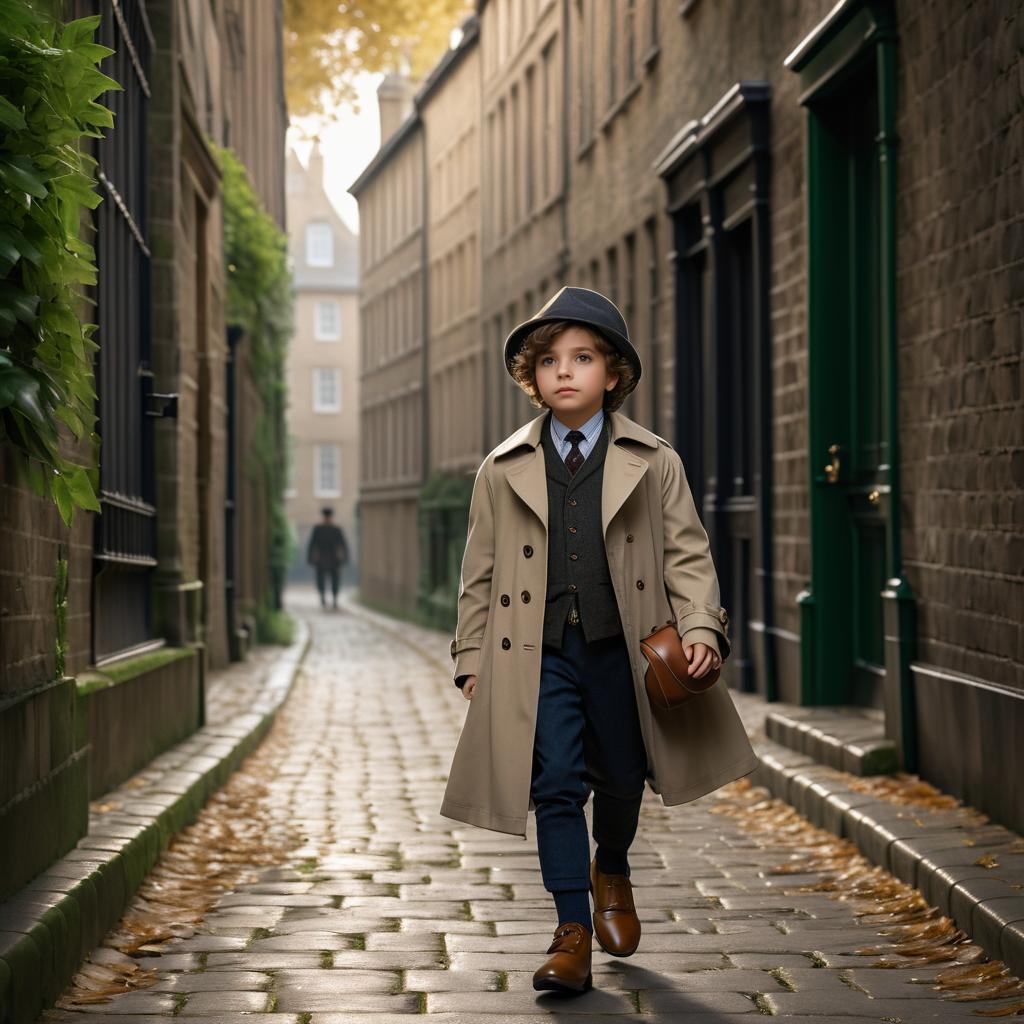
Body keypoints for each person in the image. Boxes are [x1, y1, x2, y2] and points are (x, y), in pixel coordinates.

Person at [439, 286, 759, 994]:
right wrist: (470, 657)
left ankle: (610, 863)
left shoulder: (655, 460)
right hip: (537, 653)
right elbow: (479, 572)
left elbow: (687, 554)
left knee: (619, 776)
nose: (565, 371)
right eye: (549, 360)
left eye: (582, 358)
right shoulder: (502, 469)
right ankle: (571, 930)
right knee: (554, 784)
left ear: (611, 374)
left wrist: (701, 624)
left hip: (622, 648)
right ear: (533, 377)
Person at [306, 507, 348, 609]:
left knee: (335, 580)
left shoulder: (336, 529)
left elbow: (343, 544)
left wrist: (344, 557)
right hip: (322, 558)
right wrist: (310, 558)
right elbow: (312, 544)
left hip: (334, 558)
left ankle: (334, 599)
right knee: (321, 579)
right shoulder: (318, 529)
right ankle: (322, 597)